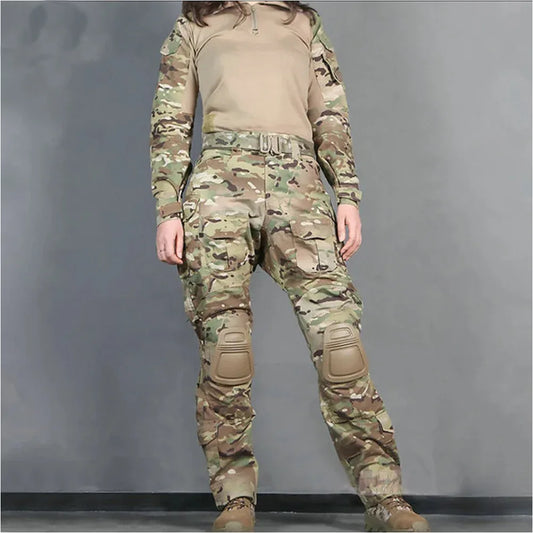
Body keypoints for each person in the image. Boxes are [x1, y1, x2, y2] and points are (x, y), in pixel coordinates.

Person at [149, 1, 431, 531]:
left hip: (299, 186)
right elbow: (171, 121)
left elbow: (330, 114)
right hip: (218, 189)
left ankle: (385, 499)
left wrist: (347, 194)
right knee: (227, 351)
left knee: (340, 346)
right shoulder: (195, 25)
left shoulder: (303, 22)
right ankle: (235, 501)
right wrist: (168, 207)